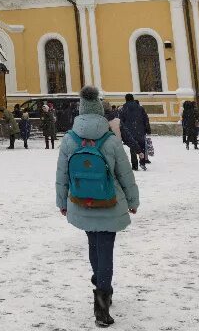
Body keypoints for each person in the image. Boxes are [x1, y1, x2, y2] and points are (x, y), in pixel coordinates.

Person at [55, 86, 140, 328]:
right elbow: (124, 173)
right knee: (106, 249)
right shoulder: (110, 139)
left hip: (81, 201)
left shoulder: (70, 139)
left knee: (93, 243)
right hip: (109, 201)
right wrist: (133, 200)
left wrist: (62, 201)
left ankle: (100, 281)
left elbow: (62, 174)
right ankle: (102, 299)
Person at [118, 94, 151, 171]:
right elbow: (146, 119)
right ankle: (142, 162)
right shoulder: (140, 108)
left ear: (126, 99)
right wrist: (147, 129)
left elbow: (121, 121)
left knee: (133, 147)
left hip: (129, 131)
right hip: (140, 130)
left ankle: (134, 165)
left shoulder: (123, 109)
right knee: (142, 146)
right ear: (133, 99)